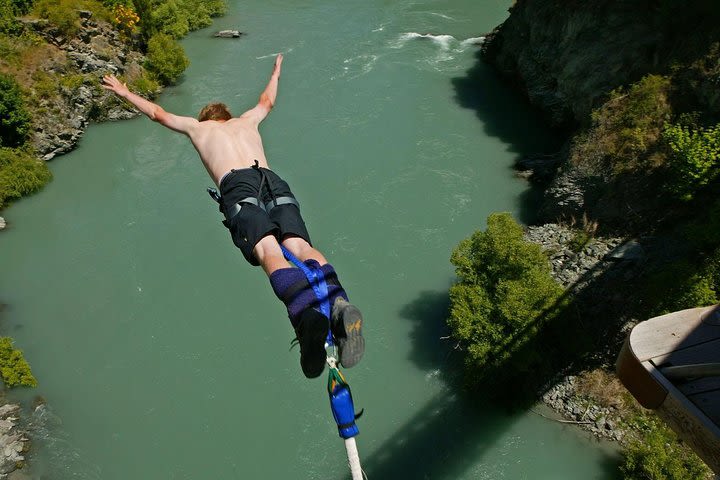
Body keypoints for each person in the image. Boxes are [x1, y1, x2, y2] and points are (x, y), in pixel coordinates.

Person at [102, 54, 364, 378]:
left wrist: (125, 92)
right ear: (228, 115)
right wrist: (277, 71)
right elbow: (267, 101)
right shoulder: (247, 121)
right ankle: (338, 303)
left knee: (269, 251)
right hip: (271, 178)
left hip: (237, 185)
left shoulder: (198, 128)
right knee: (298, 245)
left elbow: (158, 114)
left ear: (208, 118)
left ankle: (305, 315)